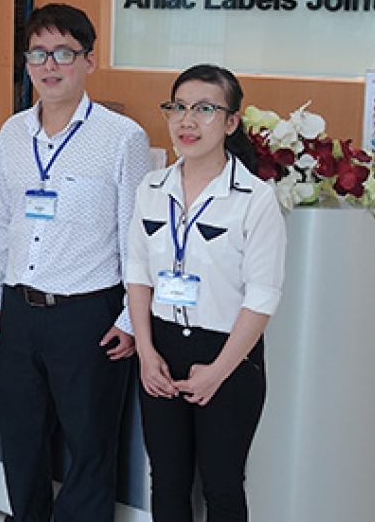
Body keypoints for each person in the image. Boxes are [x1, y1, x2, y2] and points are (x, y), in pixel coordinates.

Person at [0, 3, 150, 522]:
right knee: (22, 439)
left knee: (90, 445)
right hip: (19, 311)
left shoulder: (123, 137)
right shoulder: (11, 132)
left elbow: (135, 239)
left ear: (88, 61)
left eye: (63, 53)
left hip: (88, 314)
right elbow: (1, 218)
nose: (49, 65)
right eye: (38, 53)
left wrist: (128, 319)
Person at [125, 64, 287, 521]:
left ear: (231, 122)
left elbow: (262, 297)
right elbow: (137, 271)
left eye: (204, 109)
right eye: (177, 108)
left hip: (229, 354)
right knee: (167, 481)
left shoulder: (255, 199)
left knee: (222, 484)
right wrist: (145, 351)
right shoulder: (151, 188)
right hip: (161, 346)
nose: (187, 121)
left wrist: (218, 372)